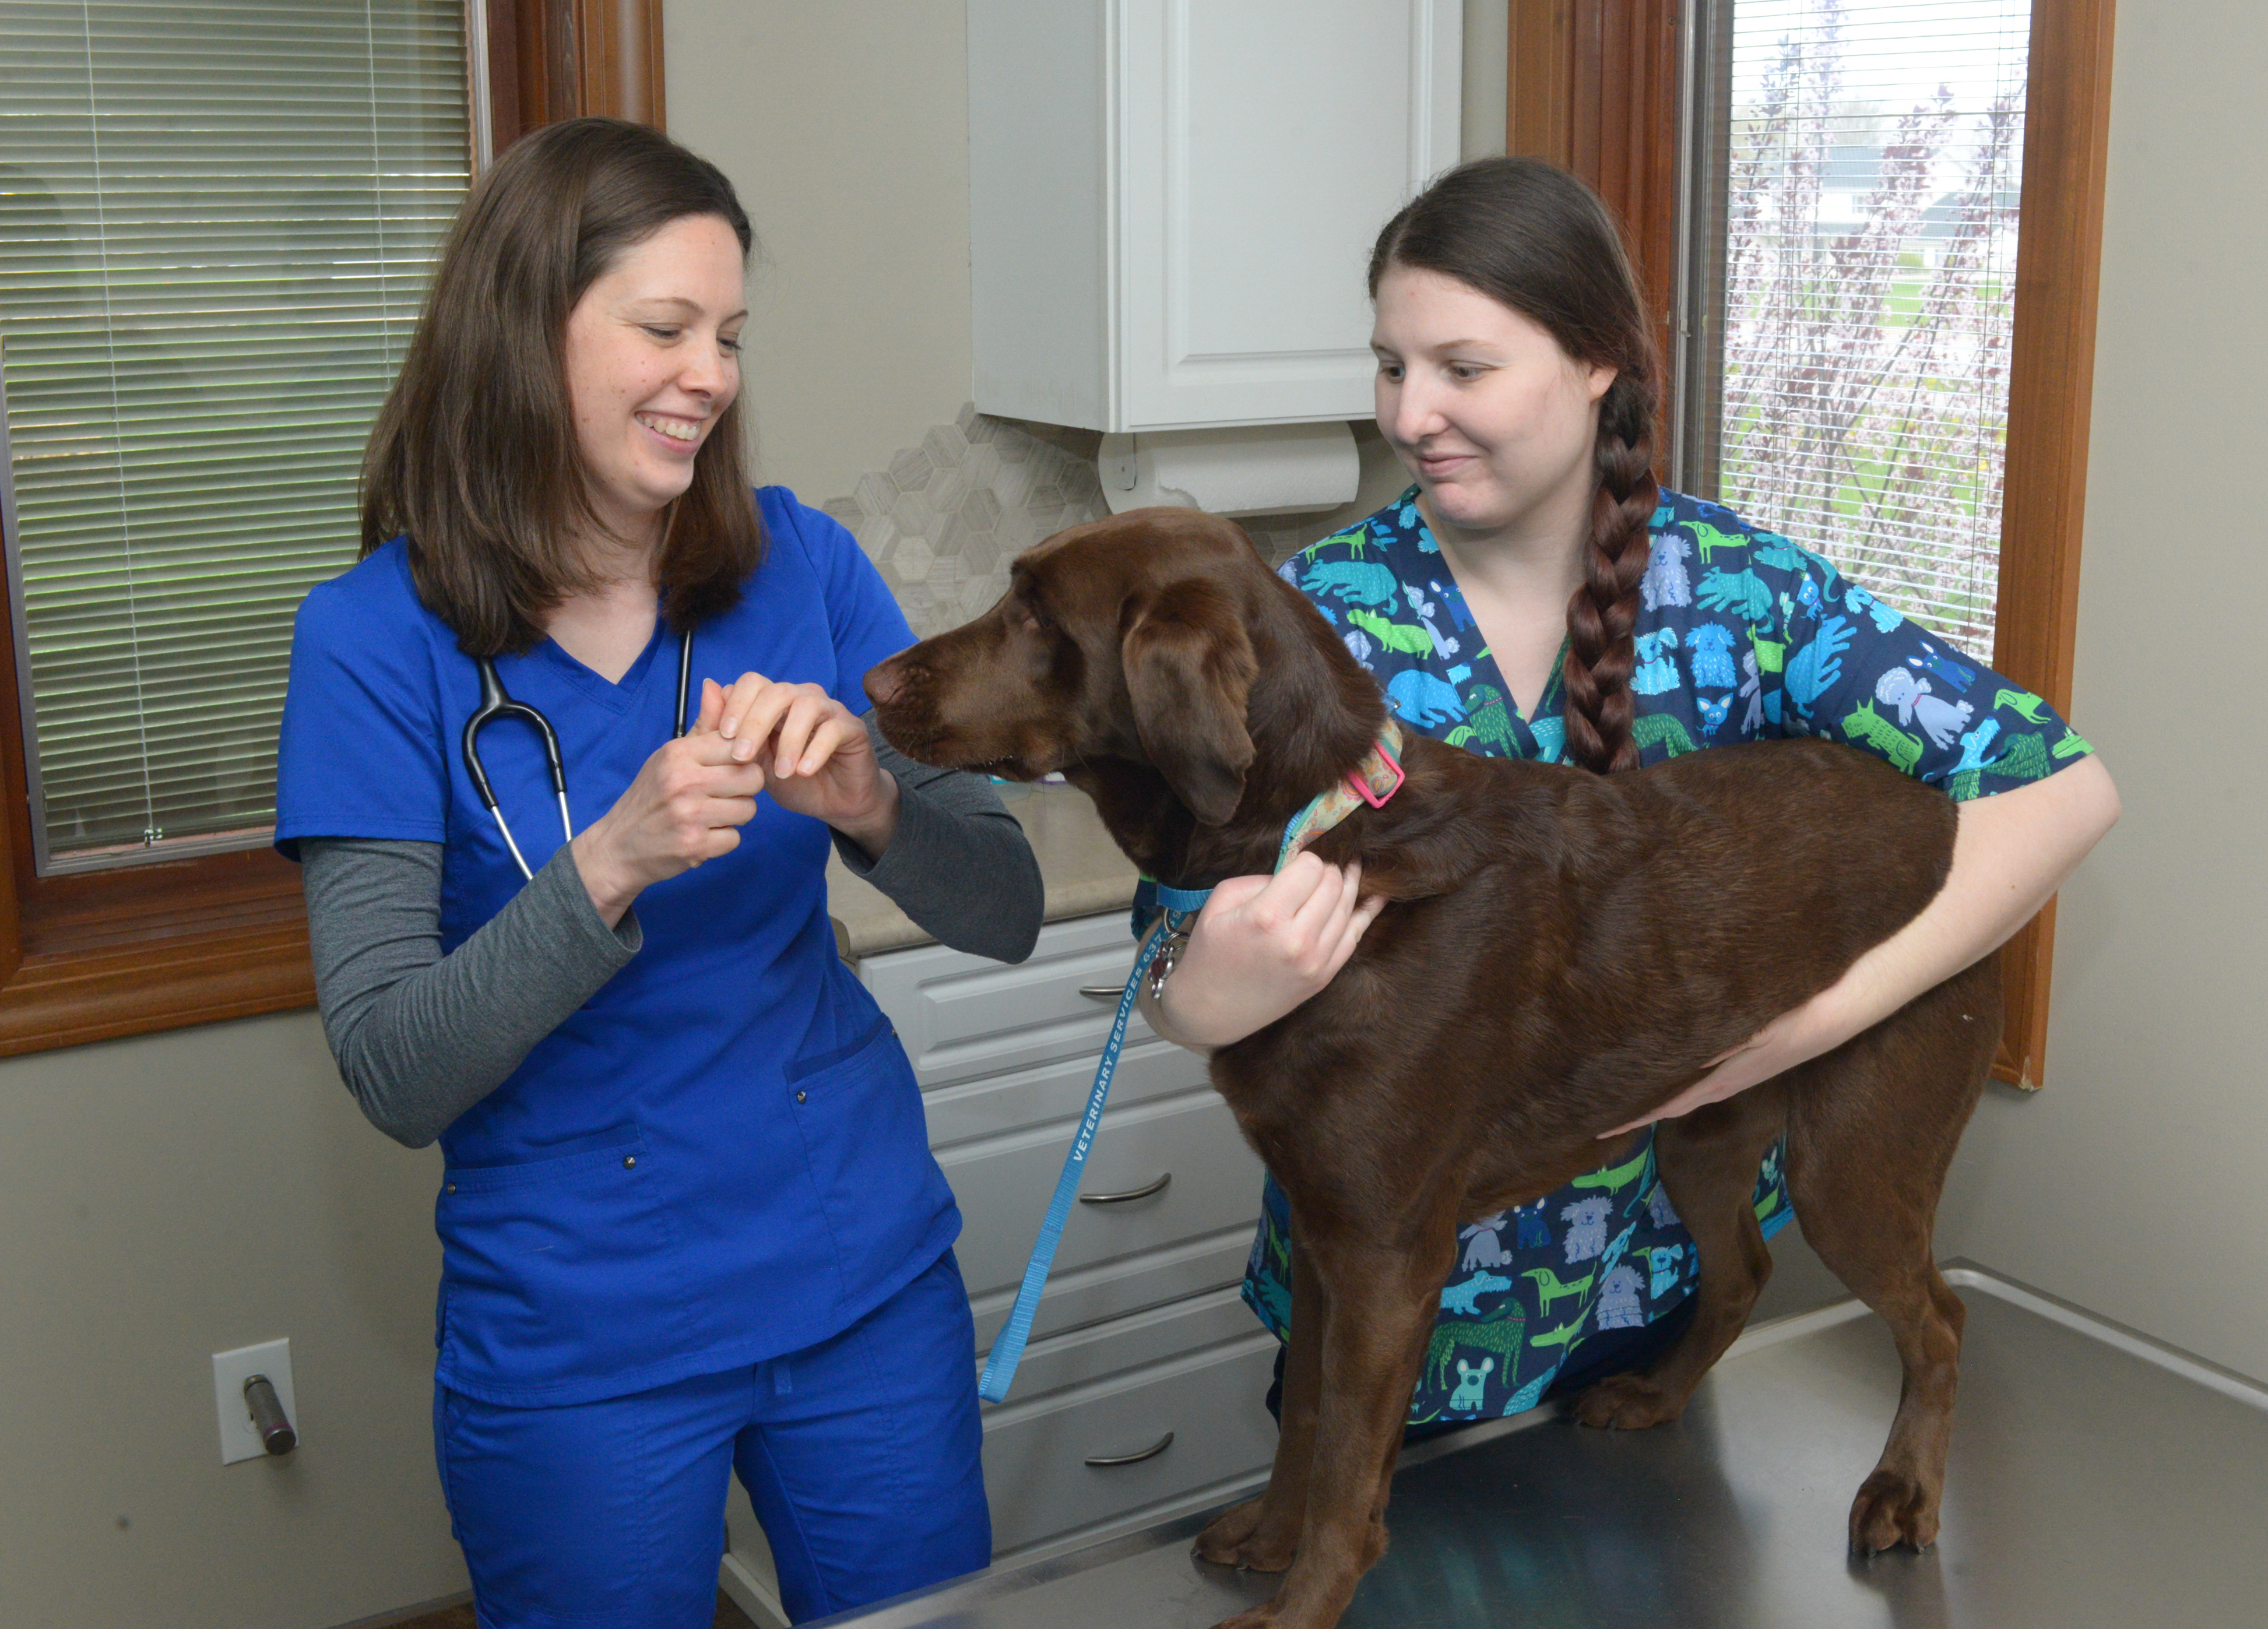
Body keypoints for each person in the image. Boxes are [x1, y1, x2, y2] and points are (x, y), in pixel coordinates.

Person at [1137, 156, 2121, 1427]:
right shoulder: (1309, 623)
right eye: (1390, 366)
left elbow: (2060, 788)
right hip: (1370, 1331)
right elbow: (1169, 942)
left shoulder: (1746, 597)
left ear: (1598, 359)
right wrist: (1200, 999)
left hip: (1648, 1319)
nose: (1408, 413)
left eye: (1463, 368)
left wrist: (1808, 1026)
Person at [275, 119, 1042, 1626]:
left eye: (732, 335)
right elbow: (393, 1066)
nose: (712, 372)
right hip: (580, 1334)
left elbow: (1006, 907)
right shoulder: (371, 646)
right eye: (665, 326)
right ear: (526, 331)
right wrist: (609, 860)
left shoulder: (804, 569)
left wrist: (872, 802)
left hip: (860, 1277)